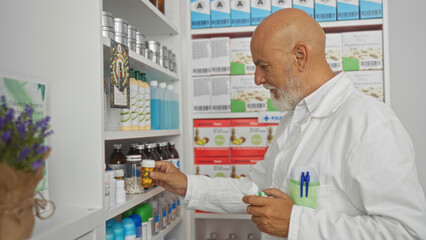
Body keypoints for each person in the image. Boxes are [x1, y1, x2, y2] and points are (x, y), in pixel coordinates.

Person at [150, 8, 426, 240]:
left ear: (300, 56)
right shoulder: (293, 119)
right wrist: (188, 185)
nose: (257, 79)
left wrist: (297, 222)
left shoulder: (368, 122)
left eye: (264, 66)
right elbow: (256, 190)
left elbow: (406, 231)